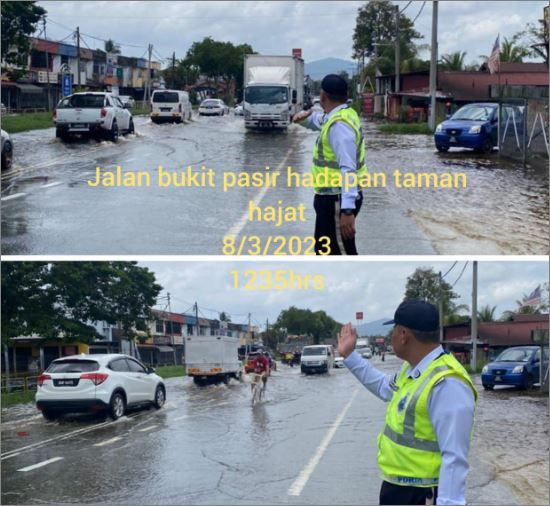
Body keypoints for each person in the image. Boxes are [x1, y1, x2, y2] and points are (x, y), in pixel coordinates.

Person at [337, 300, 477, 505]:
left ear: (403, 335)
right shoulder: (412, 370)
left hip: (423, 494)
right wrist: (350, 356)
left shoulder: (447, 383)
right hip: (399, 489)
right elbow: (384, 386)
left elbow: (455, 458)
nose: (391, 336)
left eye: (394, 330)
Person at [292, 74, 367, 255]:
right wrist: (303, 118)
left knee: (339, 253)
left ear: (323, 96)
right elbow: (319, 122)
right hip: (331, 198)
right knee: (326, 251)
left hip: (337, 199)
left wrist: (347, 210)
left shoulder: (340, 125)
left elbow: (348, 169)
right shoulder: (341, 115)